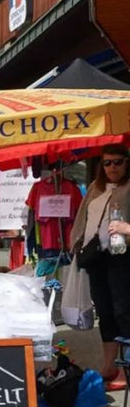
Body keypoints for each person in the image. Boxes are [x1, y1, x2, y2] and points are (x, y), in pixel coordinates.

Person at [73, 144, 130, 392]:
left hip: (125, 257)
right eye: (107, 163)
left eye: (117, 162)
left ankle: (127, 371)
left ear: (127, 162)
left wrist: (127, 229)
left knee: (125, 313)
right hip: (98, 257)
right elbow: (81, 220)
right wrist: (76, 244)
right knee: (105, 313)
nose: (112, 167)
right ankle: (109, 366)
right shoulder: (95, 189)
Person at [26, 165, 83, 258]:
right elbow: (31, 218)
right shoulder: (37, 188)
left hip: (68, 242)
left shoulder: (72, 188)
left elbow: (80, 215)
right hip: (46, 242)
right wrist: (30, 244)